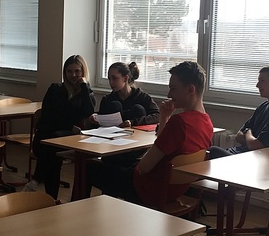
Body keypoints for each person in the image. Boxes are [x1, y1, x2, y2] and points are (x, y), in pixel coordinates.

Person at [89, 61, 213, 209]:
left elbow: (144, 167)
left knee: (88, 167)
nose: (169, 94)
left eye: (173, 89)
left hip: (149, 189)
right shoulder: (207, 123)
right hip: (176, 189)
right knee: (116, 164)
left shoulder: (179, 122)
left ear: (190, 90)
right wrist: (164, 117)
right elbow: (163, 148)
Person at [23, 54, 96, 199]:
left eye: (77, 71)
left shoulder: (87, 94)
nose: (73, 75)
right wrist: (69, 126)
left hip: (71, 138)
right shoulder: (55, 89)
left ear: (83, 72)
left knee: (52, 146)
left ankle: (39, 182)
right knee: (52, 151)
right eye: (69, 71)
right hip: (47, 134)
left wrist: (84, 86)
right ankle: (50, 197)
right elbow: (47, 116)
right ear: (64, 72)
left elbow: (89, 113)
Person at [209, 65, 269, 159]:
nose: (257, 85)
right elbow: (238, 136)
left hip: (250, 160)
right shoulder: (264, 106)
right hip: (238, 152)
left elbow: (256, 146)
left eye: (262, 81)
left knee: (212, 151)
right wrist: (251, 139)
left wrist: (248, 132)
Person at [88, 61, 159, 128]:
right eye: (109, 79)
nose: (111, 82)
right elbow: (101, 118)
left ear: (125, 78)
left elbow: (157, 116)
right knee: (115, 105)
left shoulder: (142, 97)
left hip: (137, 134)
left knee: (138, 109)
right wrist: (95, 117)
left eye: (114, 78)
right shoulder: (107, 99)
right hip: (112, 135)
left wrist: (133, 122)